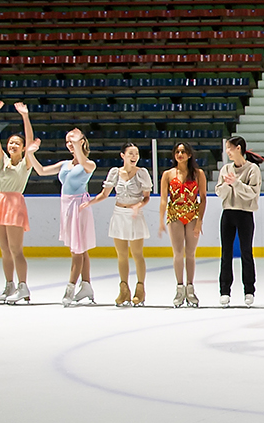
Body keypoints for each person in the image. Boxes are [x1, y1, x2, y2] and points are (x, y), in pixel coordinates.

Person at [0, 101, 39, 304]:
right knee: (4, 249)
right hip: (0, 203)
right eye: (11, 142)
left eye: (17, 143)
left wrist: (25, 116)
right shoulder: (2, 161)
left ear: (23, 147)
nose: (12, 145)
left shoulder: (26, 163)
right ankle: (9, 284)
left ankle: (22, 285)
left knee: (16, 248)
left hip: (15, 204)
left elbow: (31, 139)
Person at [36, 128, 97, 305]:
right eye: (68, 141)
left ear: (82, 142)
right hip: (66, 207)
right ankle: (86, 285)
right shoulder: (64, 164)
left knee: (77, 250)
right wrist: (31, 154)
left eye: (73, 141)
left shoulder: (89, 164)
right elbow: (40, 171)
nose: (69, 144)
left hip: (79, 207)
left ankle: (70, 288)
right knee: (80, 248)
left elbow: (83, 162)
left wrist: (77, 143)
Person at [91, 143, 155, 306]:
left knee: (137, 254)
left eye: (136, 154)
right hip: (119, 214)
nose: (134, 157)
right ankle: (124, 289)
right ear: (123, 156)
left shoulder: (142, 173)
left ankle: (140, 289)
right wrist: (89, 202)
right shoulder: (115, 172)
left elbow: (146, 197)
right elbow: (105, 194)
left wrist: (137, 206)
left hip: (135, 216)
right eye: (131, 154)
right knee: (121, 255)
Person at [216, 136, 264, 306]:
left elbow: (252, 193)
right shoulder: (226, 169)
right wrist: (228, 185)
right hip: (228, 213)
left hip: (245, 214)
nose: (227, 151)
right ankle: (224, 291)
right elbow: (219, 192)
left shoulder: (253, 169)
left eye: (229, 148)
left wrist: (236, 183)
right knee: (226, 253)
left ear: (238, 148)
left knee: (246, 252)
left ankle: (249, 290)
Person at [158, 142, 207, 306]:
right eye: (177, 151)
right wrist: (160, 220)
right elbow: (164, 199)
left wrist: (200, 221)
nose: (180, 154)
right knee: (178, 253)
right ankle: (180, 288)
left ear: (189, 154)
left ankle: (190, 287)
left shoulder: (198, 174)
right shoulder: (167, 174)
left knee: (191, 253)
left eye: (183, 151)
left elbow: (203, 198)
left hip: (192, 215)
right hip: (174, 215)